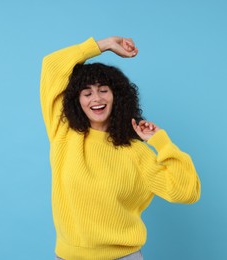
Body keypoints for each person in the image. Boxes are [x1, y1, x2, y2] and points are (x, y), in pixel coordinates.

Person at [40, 36, 201, 260]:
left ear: (117, 97)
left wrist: (161, 141)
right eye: (87, 93)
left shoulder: (135, 151)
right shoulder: (64, 132)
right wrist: (103, 45)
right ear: (78, 101)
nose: (96, 98)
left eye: (103, 90)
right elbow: (52, 65)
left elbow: (185, 191)